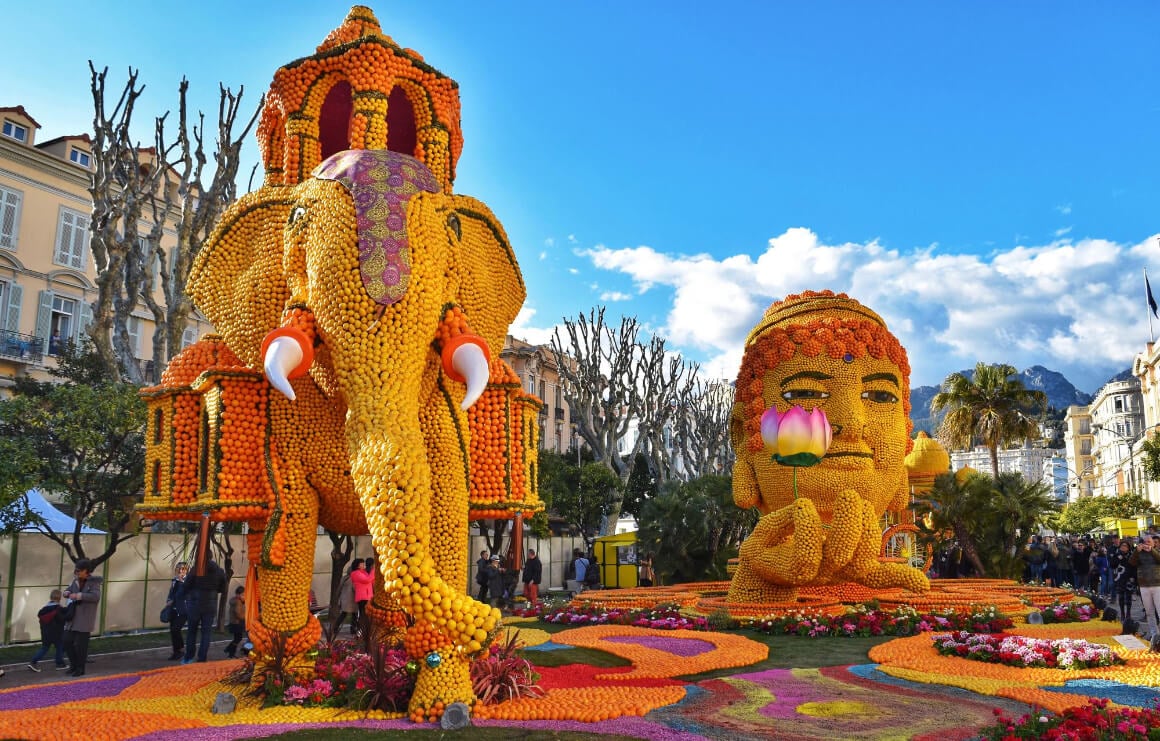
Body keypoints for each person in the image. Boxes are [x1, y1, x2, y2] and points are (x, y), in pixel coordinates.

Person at [62, 558, 103, 676]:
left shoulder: (94, 582)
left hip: (85, 619)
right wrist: (66, 593)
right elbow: (68, 590)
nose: (77, 572)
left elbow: (95, 597)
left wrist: (79, 596)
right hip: (73, 618)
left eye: (79, 570)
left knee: (81, 646)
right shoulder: (75, 581)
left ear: (86, 571)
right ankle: (73, 665)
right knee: (66, 641)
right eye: (76, 570)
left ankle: (80, 669)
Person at [182, 559, 226, 664]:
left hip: (195, 604)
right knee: (206, 633)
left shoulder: (195, 570)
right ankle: (202, 658)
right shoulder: (219, 571)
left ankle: (189, 657)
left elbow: (186, 586)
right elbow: (223, 587)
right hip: (210, 605)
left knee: (192, 632)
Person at [1131, 534, 1160, 651]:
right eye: (1145, 541)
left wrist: (1151, 550)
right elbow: (1132, 562)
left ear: (1153, 543)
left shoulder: (1157, 551)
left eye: (1149, 542)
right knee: (1149, 612)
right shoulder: (1139, 553)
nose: (1147, 543)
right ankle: (1154, 634)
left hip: (1158, 585)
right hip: (1144, 586)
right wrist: (1136, 552)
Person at [27, 588, 67, 672]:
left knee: (44, 648)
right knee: (60, 647)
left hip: (45, 633)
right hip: (57, 633)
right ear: (59, 598)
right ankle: (59, 663)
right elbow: (63, 619)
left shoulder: (43, 609)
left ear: (50, 597)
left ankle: (33, 662)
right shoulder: (59, 609)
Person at [165, 562, 189, 660]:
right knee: (173, 630)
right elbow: (171, 593)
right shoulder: (174, 580)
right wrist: (168, 601)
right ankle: (176, 652)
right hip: (173, 609)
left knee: (176, 629)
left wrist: (181, 580)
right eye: (179, 569)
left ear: (186, 570)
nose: (180, 571)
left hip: (183, 609)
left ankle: (181, 649)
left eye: (183, 569)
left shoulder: (187, 581)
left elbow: (186, 594)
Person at [1111, 540, 1136, 626]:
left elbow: (1134, 566)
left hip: (1129, 579)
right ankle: (1122, 613)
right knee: (1121, 597)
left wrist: (1133, 577)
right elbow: (1112, 565)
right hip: (1119, 579)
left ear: (1128, 547)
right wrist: (1118, 557)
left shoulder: (1132, 555)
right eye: (1122, 546)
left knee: (1128, 597)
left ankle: (1128, 613)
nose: (1124, 547)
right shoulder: (1117, 555)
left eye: (1125, 546)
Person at [334, 560, 358, 634]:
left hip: (344, 600)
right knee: (354, 615)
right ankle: (353, 629)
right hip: (352, 600)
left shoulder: (344, 578)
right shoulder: (353, 579)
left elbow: (339, 588)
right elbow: (355, 589)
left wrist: (337, 597)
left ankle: (335, 628)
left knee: (343, 614)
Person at [350, 557, 373, 632]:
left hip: (367, 596)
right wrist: (373, 571)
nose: (364, 565)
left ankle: (364, 629)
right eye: (362, 563)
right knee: (363, 614)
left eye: (363, 563)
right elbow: (367, 580)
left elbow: (370, 580)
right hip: (362, 597)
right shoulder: (356, 573)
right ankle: (360, 629)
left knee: (366, 614)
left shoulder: (363, 572)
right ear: (357, 565)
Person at [225, 585, 246, 658]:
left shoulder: (235, 601)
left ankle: (229, 650)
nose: (244, 596)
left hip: (234, 623)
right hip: (237, 623)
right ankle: (230, 652)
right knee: (238, 638)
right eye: (243, 595)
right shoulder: (238, 602)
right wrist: (245, 617)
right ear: (238, 595)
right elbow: (238, 613)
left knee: (237, 638)